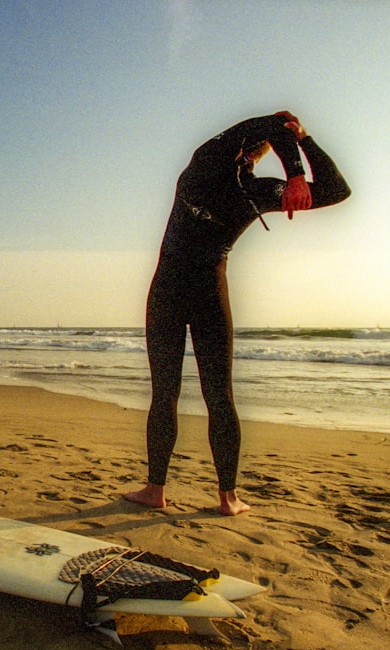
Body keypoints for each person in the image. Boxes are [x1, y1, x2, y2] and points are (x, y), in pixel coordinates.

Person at [125, 111, 351, 516]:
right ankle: (224, 498)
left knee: (176, 393)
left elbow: (335, 190)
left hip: (170, 289)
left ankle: (159, 490)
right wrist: (301, 149)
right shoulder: (230, 171)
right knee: (213, 396)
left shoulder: (250, 185)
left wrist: (298, 152)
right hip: (206, 291)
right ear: (260, 150)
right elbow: (319, 172)